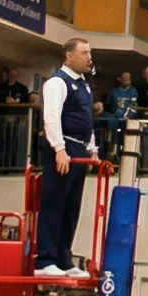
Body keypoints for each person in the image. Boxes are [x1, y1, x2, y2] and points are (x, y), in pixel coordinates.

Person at [33, 38, 97, 278]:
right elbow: (51, 117)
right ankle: (45, 259)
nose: (89, 57)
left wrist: (92, 149)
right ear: (69, 56)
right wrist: (59, 149)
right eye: (84, 52)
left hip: (79, 149)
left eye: (90, 52)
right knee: (55, 204)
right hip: (63, 146)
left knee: (71, 206)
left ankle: (64, 259)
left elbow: (87, 121)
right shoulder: (57, 83)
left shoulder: (85, 86)